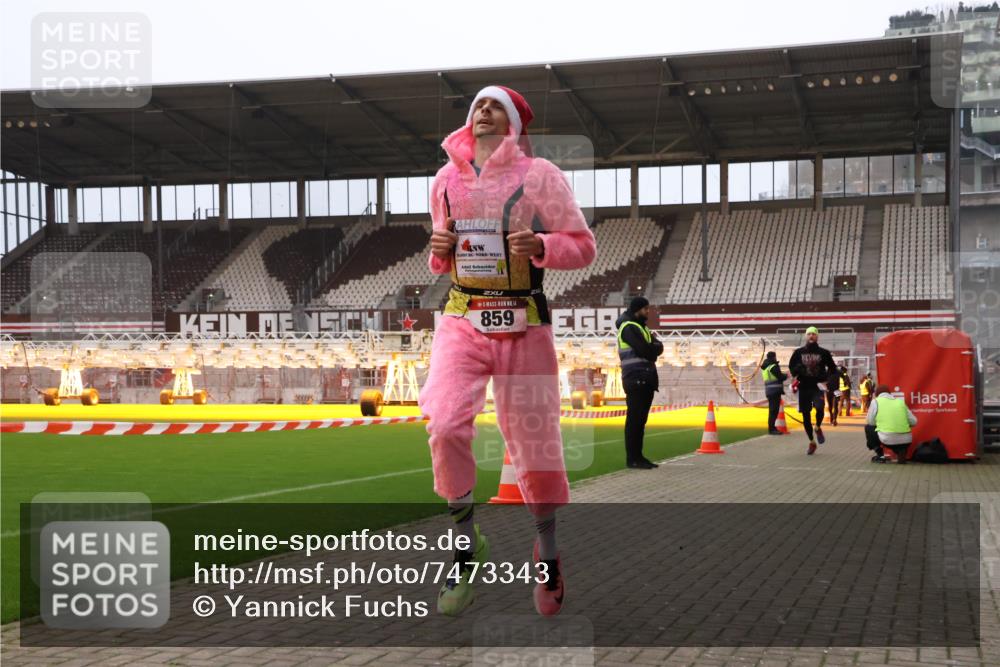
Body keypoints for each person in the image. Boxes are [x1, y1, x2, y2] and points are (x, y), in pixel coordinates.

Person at [420, 85, 596, 618]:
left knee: (535, 444)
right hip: (462, 316)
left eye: (495, 105)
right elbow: (439, 256)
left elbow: (583, 246)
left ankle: (547, 554)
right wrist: (438, 251)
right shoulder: (444, 181)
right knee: (446, 424)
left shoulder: (540, 175)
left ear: (515, 124)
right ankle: (463, 546)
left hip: (524, 320)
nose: (483, 111)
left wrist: (542, 246)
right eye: (477, 104)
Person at [616, 296, 664, 469]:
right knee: (635, 421)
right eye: (645, 309)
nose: (648, 312)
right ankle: (633, 459)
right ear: (638, 310)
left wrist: (653, 349)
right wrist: (653, 349)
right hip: (636, 378)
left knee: (640, 422)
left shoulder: (640, 327)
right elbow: (647, 350)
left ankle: (638, 456)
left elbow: (659, 346)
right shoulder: (629, 328)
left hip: (644, 378)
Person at [788, 326, 838, 455]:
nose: (811, 336)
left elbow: (833, 369)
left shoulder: (824, 353)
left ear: (817, 336)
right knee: (806, 416)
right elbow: (791, 367)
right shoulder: (798, 353)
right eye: (809, 334)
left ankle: (817, 427)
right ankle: (812, 442)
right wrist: (796, 371)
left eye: (814, 334)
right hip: (804, 386)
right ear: (806, 336)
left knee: (820, 408)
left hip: (817, 386)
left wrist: (828, 381)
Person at [865, 385, 918, 464]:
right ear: (890, 393)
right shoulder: (900, 402)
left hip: (887, 439)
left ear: (877, 394)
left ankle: (880, 456)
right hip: (906, 440)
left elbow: (870, 421)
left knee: (868, 428)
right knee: (899, 440)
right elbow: (914, 421)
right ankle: (900, 452)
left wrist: (880, 423)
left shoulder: (875, 401)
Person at [760, 351, 787, 435]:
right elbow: (780, 377)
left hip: (769, 391)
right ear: (774, 357)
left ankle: (772, 428)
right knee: (774, 410)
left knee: (773, 410)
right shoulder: (773, 366)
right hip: (775, 391)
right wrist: (787, 375)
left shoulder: (765, 367)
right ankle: (772, 429)